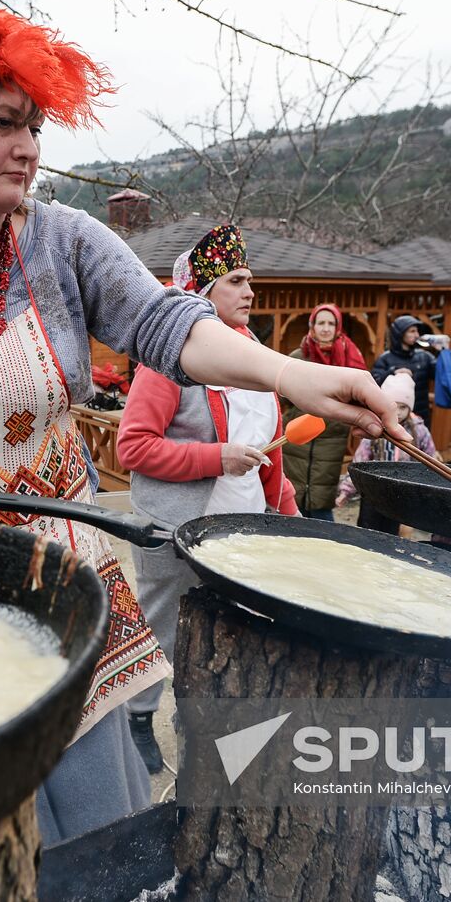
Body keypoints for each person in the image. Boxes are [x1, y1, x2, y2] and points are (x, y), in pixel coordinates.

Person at [0, 8, 404, 844]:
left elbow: (166, 324)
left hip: (57, 561)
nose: (28, 147)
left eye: (34, 127)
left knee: (90, 820)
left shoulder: (67, 242)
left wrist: (293, 373)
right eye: (4, 122)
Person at [117, 232, 300, 773]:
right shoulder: (168, 363)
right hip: (173, 527)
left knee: (226, 638)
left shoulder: (261, 365)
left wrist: (289, 518)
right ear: (200, 291)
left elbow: (275, 454)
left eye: (250, 281)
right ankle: (139, 716)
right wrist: (216, 457)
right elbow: (133, 445)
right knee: (162, 630)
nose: (249, 291)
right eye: (236, 281)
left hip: (241, 530)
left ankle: (205, 740)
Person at [283, 303, 366, 521]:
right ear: (312, 325)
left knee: (321, 498)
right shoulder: (299, 357)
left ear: (338, 327)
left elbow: (360, 394)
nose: (326, 328)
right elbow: (282, 394)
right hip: (298, 435)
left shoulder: (348, 359)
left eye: (331, 323)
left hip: (331, 437)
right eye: (321, 323)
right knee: (294, 493)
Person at [336, 372, 439, 532]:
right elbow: (359, 462)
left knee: (397, 534)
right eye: (393, 406)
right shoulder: (375, 429)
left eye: (403, 407)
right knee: (367, 531)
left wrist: (427, 494)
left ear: (410, 407)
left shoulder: (419, 431)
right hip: (373, 492)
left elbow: (431, 462)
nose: (397, 412)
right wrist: (346, 491)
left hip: (404, 494)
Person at [372, 315, 436, 422]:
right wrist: (392, 372)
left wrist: (443, 353)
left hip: (420, 417)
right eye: (412, 331)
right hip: (394, 417)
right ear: (400, 333)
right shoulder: (385, 359)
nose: (417, 335)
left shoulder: (425, 356)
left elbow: (442, 376)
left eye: (417, 331)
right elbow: (374, 384)